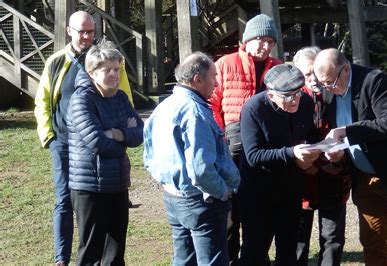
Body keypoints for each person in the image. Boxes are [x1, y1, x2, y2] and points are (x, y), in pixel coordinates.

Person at [314, 48, 387, 265]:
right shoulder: (329, 90)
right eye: (323, 84)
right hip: (364, 177)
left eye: (330, 82)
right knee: (372, 243)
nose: (327, 88)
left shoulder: (375, 81)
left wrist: (347, 131)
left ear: (346, 69)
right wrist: (338, 152)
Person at [33, 11, 133, 266]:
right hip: (65, 142)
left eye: (91, 31)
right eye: (82, 31)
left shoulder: (107, 60)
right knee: (65, 200)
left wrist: (125, 131)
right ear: (69, 31)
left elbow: (125, 100)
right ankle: (61, 258)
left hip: (102, 145)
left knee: (102, 209)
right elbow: (43, 100)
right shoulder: (56, 62)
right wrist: (49, 137)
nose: (87, 36)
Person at [143, 52, 241, 265]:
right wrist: (223, 192)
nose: (216, 83)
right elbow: (200, 169)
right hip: (201, 200)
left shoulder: (163, 106)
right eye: (213, 77)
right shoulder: (194, 112)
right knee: (212, 261)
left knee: (183, 259)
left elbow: (149, 155)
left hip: (174, 198)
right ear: (198, 79)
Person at [209, 14, 282, 264]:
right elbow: (212, 103)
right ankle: (229, 259)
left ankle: (255, 257)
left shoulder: (278, 67)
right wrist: (221, 137)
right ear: (247, 39)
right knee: (231, 211)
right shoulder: (225, 64)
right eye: (260, 40)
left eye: (270, 42)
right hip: (232, 145)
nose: (265, 46)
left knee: (258, 208)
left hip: (265, 147)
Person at [238, 64, 324, 265]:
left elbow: (309, 134)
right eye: (287, 96)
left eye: (298, 93)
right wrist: (292, 152)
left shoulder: (305, 103)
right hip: (258, 190)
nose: (294, 100)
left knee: (288, 248)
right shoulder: (253, 108)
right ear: (270, 94)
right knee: (255, 249)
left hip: (290, 187)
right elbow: (253, 155)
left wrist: (316, 150)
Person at [67, 40, 143, 265]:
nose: (113, 74)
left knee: (116, 251)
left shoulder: (121, 98)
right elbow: (97, 142)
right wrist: (123, 137)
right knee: (91, 251)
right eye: (107, 70)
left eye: (116, 69)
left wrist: (117, 134)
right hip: (90, 187)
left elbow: (139, 133)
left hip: (118, 184)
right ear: (91, 72)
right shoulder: (81, 100)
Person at [293, 47, 350, 266]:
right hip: (302, 179)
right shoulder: (291, 101)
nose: (313, 79)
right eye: (306, 74)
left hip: (333, 175)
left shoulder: (337, 96)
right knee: (298, 239)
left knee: (332, 238)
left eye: (315, 73)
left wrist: (339, 158)